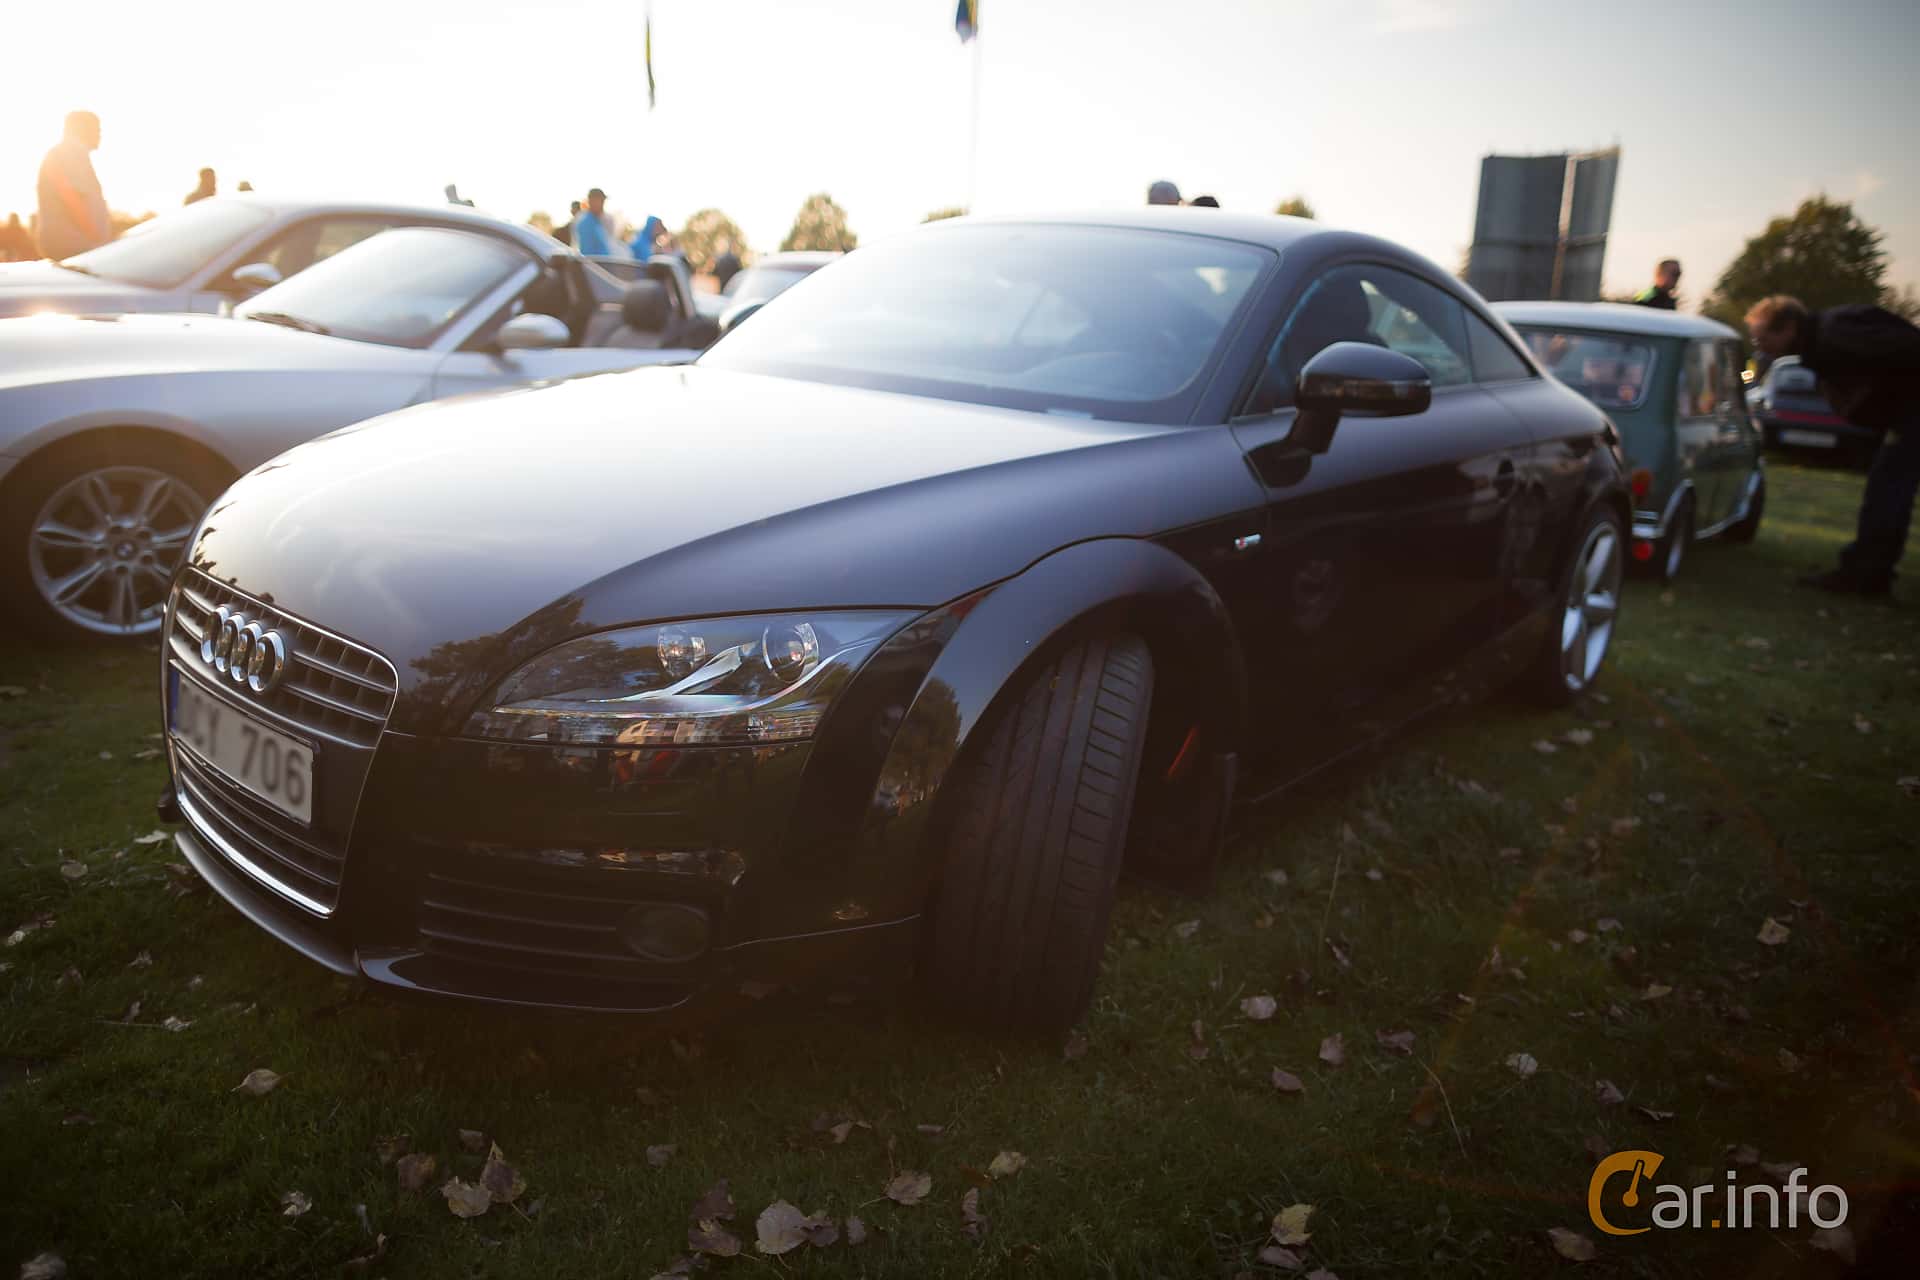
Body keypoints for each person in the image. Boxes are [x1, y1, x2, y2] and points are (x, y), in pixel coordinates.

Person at [1747, 294, 1920, 596]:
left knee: (1888, 492)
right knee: (1885, 490)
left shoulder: (1838, 333)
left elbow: (1906, 351)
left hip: (1911, 414)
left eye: (1763, 339)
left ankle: (1866, 578)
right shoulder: (1823, 339)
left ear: (1787, 328)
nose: (1760, 347)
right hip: (1905, 416)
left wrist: (1894, 407)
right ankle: (1865, 572)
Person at [35, 110, 110, 260]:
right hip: (76, 245)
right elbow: (71, 197)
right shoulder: (69, 152)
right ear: (82, 128)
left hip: (76, 244)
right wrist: (97, 240)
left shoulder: (68, 153)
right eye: (97, 129)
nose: (100, 135)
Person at [573, 188, 617, 256]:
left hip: (604, 262)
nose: (602, 204)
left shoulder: (604, 220)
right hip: (592, 263)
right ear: (591, 201)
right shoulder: (584, 222)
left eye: (603, 201)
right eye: (599, 201)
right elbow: (587, 251)